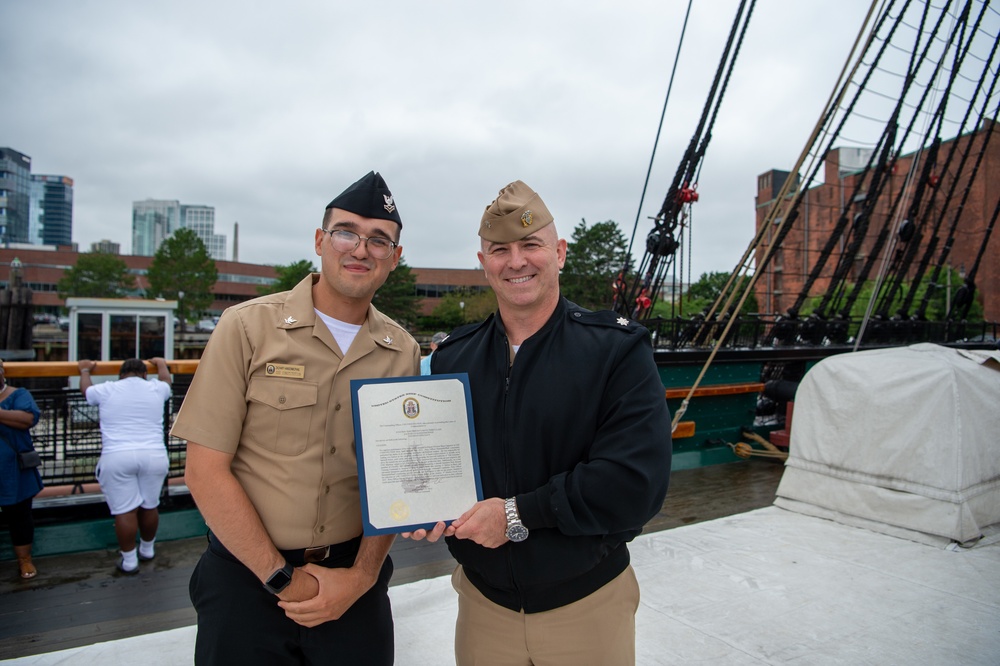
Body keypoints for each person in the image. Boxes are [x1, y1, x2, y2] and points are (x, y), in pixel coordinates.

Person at [408, 180, 672, 665]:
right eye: (500, 250)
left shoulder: (616, 352)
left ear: (560, 252)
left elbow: (635, 484)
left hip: (587, 607)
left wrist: (515, 516)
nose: (517, 261)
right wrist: (421, 507)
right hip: (483, 608)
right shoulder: (451, 360)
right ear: (483, 262)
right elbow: (436, 466)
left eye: (531, 245)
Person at [171, 171, 420, 665]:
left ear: (394, 259)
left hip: (354, 582)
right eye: (346, 232)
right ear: (319, 241)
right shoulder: (246, 328)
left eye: (379, 240)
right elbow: (203, 470)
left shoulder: (402, 352)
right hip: (247, 583)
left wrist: (364, 576)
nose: (360, 249)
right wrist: (282, 578)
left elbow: (397, 482)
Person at [78, 357, 172, 573]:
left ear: (121, 374)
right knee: (150, 505)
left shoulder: (108, 389)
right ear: (145, 375)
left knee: (125, 511)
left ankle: (129, 561)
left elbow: (86, 391)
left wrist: (84, 370)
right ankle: (147, 550)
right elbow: (167, 382)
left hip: (117, 455)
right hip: (154, 455)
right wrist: (161, 364)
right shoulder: (155, 388)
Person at [0, 358, 42, 580]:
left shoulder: (19, 394)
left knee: (20, 515)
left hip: (13, 468)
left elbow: (27, 419)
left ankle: (24, 559)